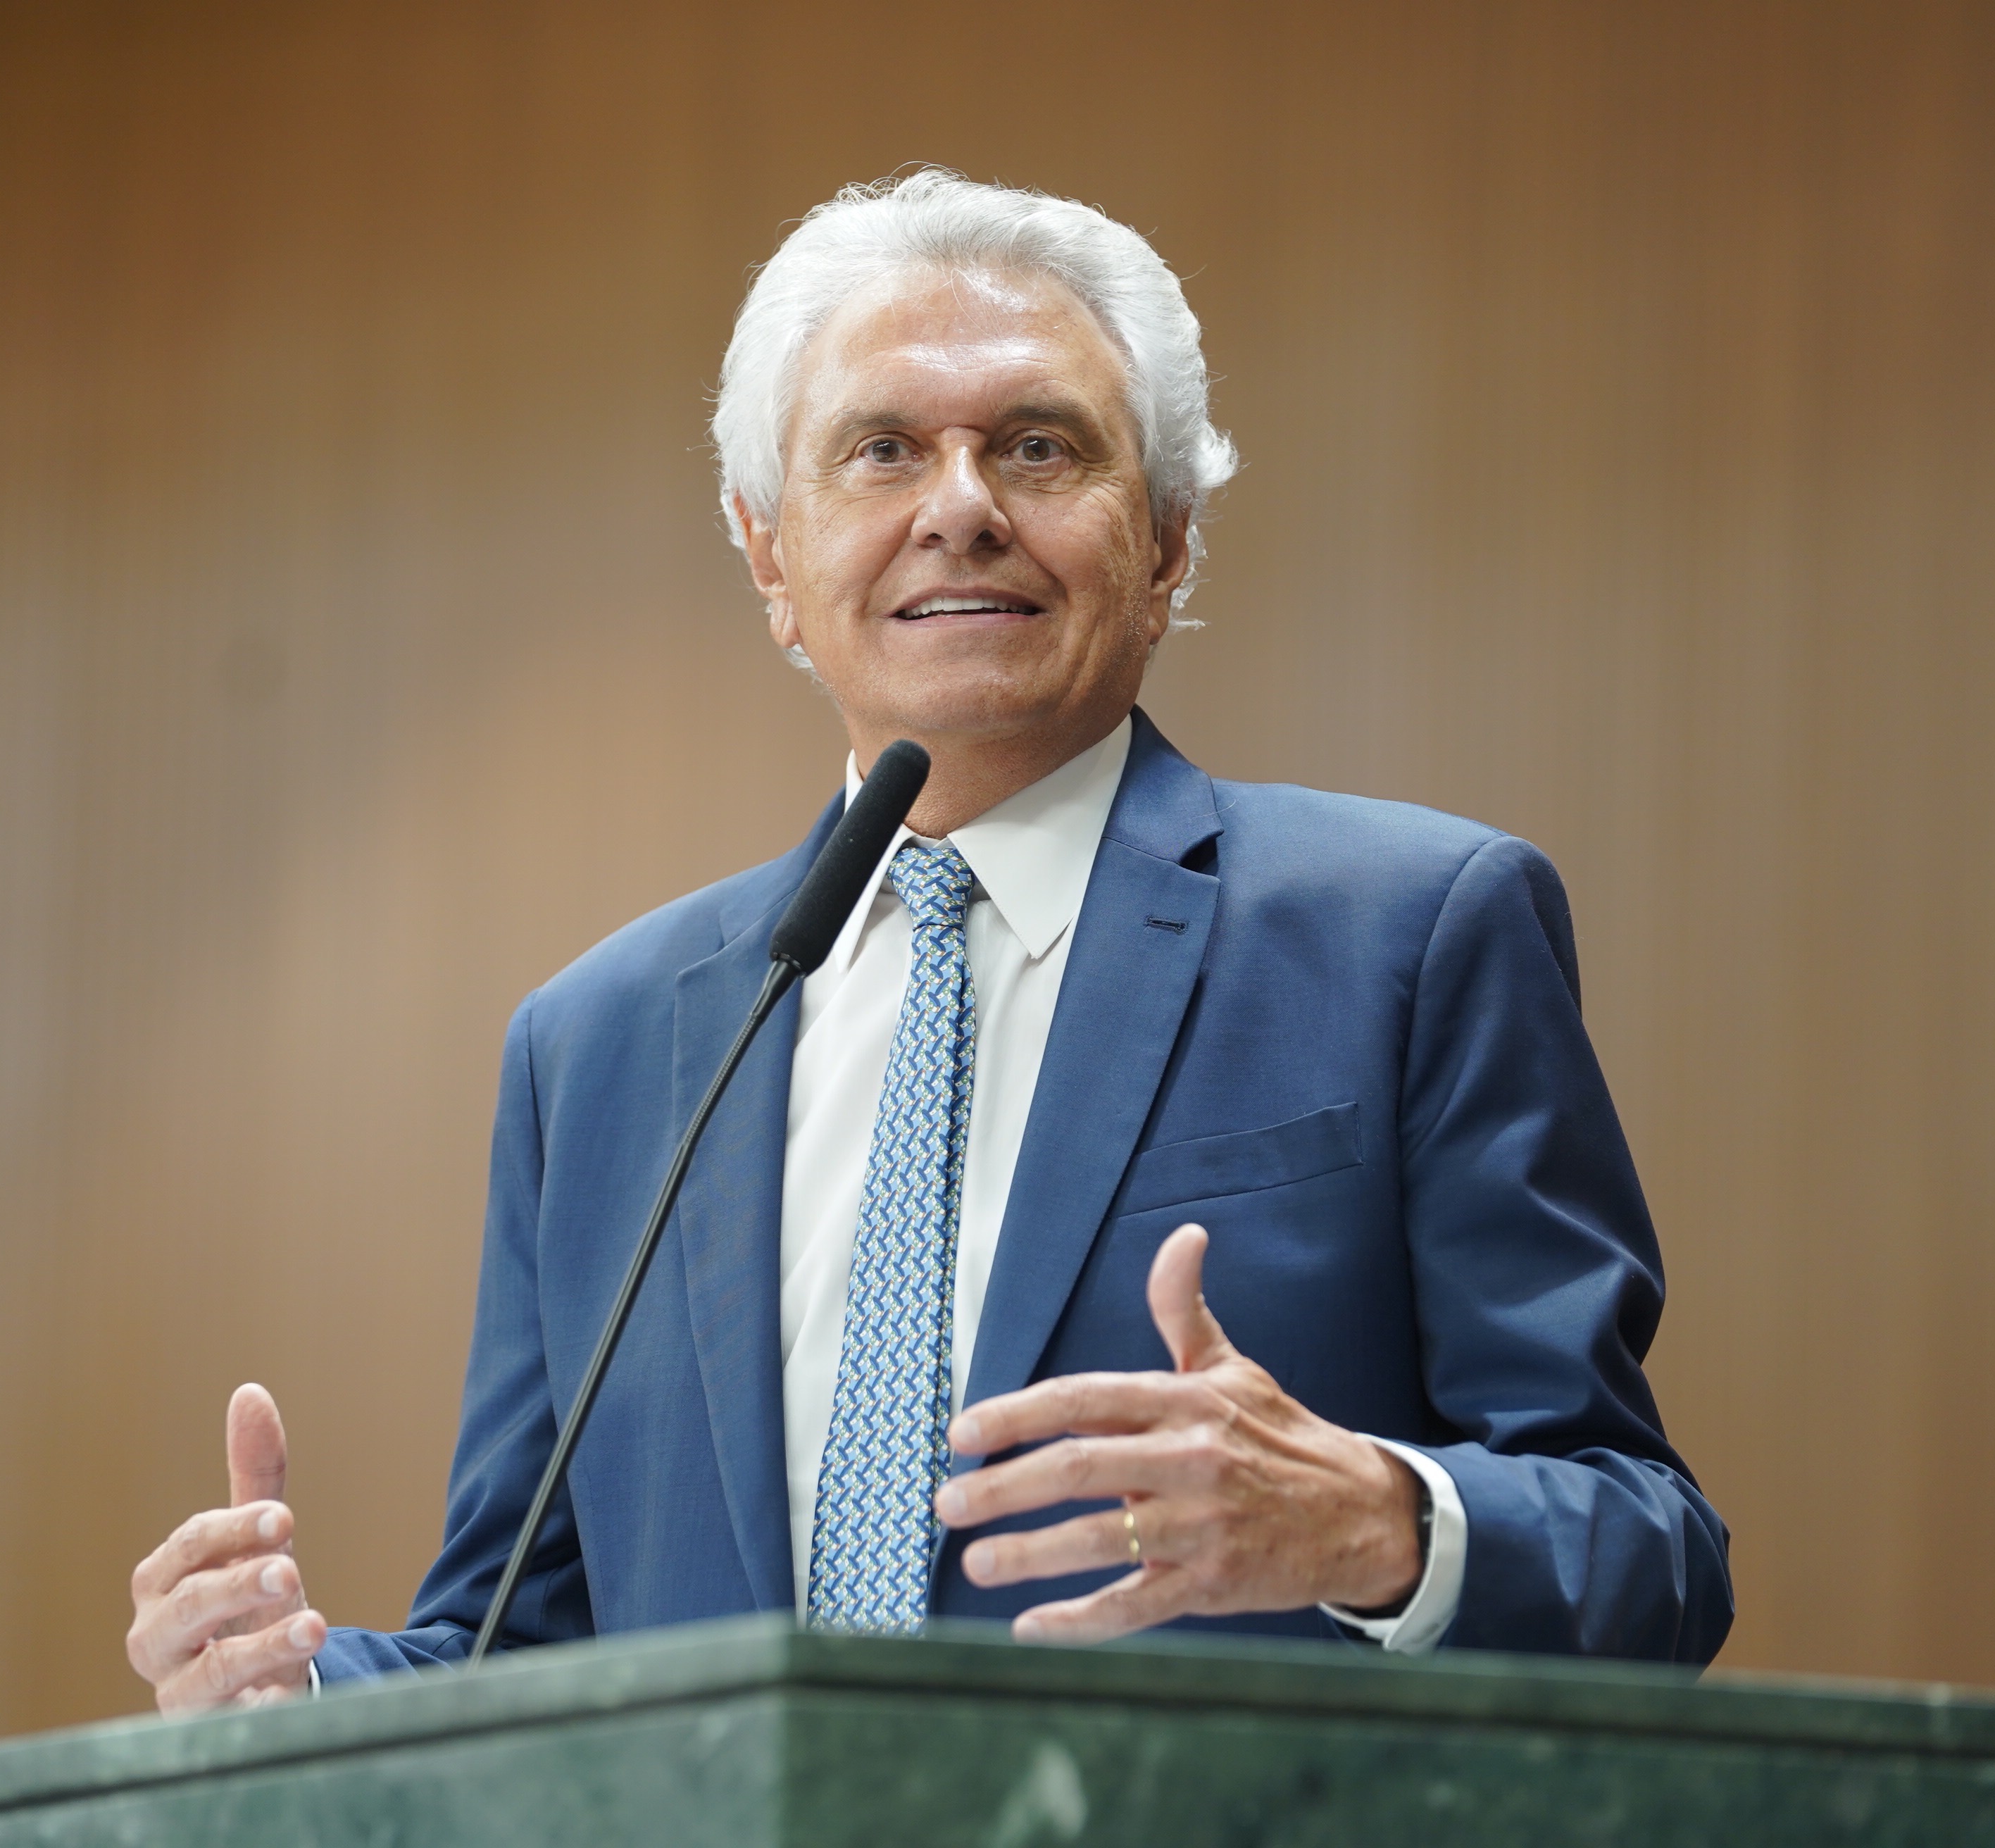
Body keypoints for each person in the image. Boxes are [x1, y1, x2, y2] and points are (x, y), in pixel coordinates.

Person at [125, 170, 1733, 1715]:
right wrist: (294, 1690)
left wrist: (1382, 1522)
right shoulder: (602, 1044)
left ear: (1169, 540)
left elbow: (1653, 1554)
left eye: (1037, 447)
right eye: (882, 451)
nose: (959, 510)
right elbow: (524, 1652)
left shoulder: (1412, 932)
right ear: (770, 554)